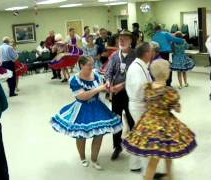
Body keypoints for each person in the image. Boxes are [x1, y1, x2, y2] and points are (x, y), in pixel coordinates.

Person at [123, 60, 197, 180]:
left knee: (165, 154)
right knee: (158, 157)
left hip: (148, 122)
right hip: (163, 125)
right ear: (167, 73)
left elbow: (147, 103)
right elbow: (177, 109)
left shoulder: (147, 87)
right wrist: (176, 106)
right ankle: (152, 177)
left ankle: (170, 175)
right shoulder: (169, 92)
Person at [51, 56, 123, 170]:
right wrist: (100, 88)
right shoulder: (75, 80)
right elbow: (83, 96)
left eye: (92, 64)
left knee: (99, 134)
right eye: (89, 65)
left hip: (97, 107)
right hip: (82, 108)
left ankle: (94, 159)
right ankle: (83, 158)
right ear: (81, 65)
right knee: (81, 135)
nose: (92, 67)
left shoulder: (97, 76)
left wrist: (111, 88)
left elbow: (103, 89)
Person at [105, 30, 136, 161]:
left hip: (131, 93)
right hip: (116, 94)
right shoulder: (114, 56)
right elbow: (109, 72)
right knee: (116, 120)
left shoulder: (136, 56)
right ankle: (117, 146)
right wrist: (107, 81)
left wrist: (122, 85)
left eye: (124, 39)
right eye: (120, 39)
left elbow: (136, 76)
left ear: (130, 41)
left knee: (131, 119)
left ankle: (135, 145)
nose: (121, 41)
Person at [125, 42, 153, 172]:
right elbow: (139, 89)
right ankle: (148, 170)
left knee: (138, 134)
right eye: (151, 51)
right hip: (139, 105)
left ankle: (134, 164)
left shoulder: (140, 66)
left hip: (139, 104)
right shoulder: (136, 68)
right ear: (146, 53)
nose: (153, 54)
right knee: (146, 136)